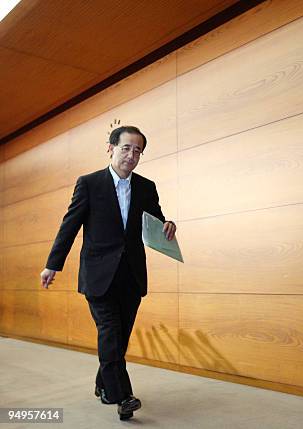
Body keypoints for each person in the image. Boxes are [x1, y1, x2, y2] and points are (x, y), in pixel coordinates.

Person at [39, 125, 176, 420]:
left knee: (119, 337)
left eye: (138, 150)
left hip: (131, 275)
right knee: (111, 331)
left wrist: (168, 225)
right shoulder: (89, 183)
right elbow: (70, 225)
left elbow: (155, 222)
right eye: (126, 148)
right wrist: (53, 264)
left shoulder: (146, 187)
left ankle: (103, 384)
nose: (131, 155)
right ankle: (122, 395)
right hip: (98, 273)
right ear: (111, 148)